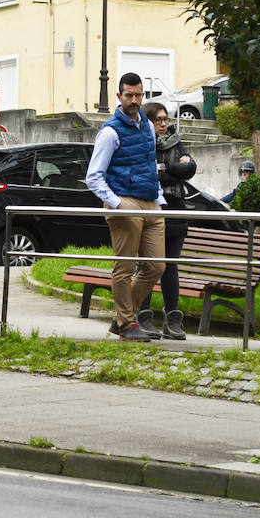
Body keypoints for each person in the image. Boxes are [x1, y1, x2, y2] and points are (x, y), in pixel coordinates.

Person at [85, 72, 165, 342]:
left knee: (157, 267)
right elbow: (94, 176)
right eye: (129, 95)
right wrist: (118, 203)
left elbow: (150, 165)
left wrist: (160, 199)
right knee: (125, 268)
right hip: (124, 200)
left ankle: (121, 318)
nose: (134, 100)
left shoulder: (148, 128)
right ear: (119, 96)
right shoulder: (110, 131)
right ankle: (128, 323)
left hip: (151, 201)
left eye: (138, 95)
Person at [143, 101, 194, 341]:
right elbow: (148, 175)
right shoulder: (142, 143)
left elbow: (190, 168)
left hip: (175, 211)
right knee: (148, 266)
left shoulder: (176, 141)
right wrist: (174, 170)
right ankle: (142, 316)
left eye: (165, 119)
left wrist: (164, 169)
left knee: (171, 267)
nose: (163, 124)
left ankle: (172, 321)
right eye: (158, 120)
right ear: (148, 121)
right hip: (152, 208)